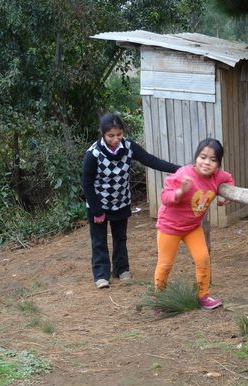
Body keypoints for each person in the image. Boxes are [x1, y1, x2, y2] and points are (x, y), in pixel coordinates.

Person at [82, 112, 180, 289]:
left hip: (121, 200)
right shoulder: (93, 154)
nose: (115, 139)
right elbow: (86, 184)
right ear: (102, 133)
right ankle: (101, 274)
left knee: (121, 238)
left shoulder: (128, 147)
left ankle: (121, 269)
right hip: (98, 203)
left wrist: (179, 170)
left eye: (119, 134)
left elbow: (151, 160)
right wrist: (97, 210)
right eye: (111, 136)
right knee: (99, 240)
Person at [154, 138, 234, 310]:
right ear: (196, 157)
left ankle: (203, 296)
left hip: (192, 228)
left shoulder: (217, 175)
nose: (206, 162)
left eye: (213, 160)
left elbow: (229, 179)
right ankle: (158, 300)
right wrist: (181, 191)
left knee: (203, 258)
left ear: (218, 164)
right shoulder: (183, 175)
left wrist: (226, 195)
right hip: (170, 227)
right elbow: (165, 198)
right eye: (203, 157)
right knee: (165, 264)